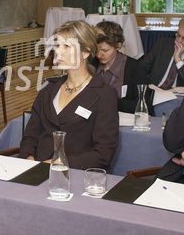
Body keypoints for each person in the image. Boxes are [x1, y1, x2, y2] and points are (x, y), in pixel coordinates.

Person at [19, 21, 119, 170]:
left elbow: (103, 154)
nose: (59, 52)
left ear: (85, 52)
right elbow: (30, 136)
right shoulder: (48, 89)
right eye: (58, 46)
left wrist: (58, 164)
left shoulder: (104, 94)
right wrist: (29, 160)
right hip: (37, 172)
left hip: (77, 176)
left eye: (66, 46)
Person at [95, 21, 147, 113]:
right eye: (97, 50)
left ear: (118, 45)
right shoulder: (91, 64)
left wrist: (112, 102)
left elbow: (144, 105)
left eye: (105, 50)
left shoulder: (135, 68)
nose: (99, 55)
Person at [139, 15, 184, 88]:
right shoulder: (162, 44)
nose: (179, 40)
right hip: (155, 90)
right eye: (178, 35)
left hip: (179, 96)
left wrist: (178, 61)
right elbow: (141, 69)